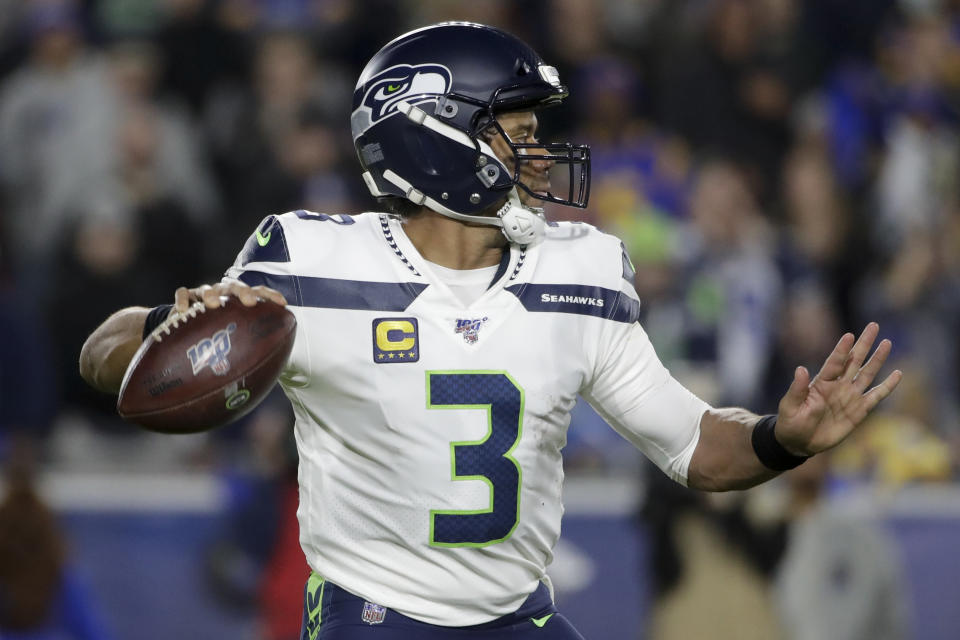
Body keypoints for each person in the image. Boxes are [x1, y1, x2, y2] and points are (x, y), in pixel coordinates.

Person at [78, 22, 901, 640]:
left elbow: (693, 448)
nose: (540, 154)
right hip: (378, 616)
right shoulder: (312, 262)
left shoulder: (576, 268)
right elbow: (106, 349)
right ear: (433, 132)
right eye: (519, 131)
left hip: (519, 616)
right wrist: (160, 332)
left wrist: (781, 439)